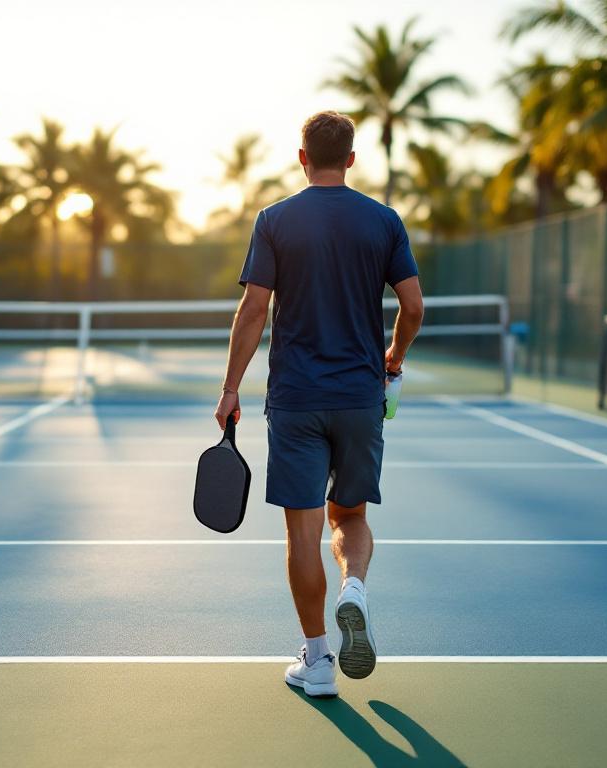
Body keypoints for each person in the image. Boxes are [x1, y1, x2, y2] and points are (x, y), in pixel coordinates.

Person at [214, 110, 424, 698]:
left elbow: (254, 310)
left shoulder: (274, 220)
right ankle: (353, 588)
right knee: (350, 517)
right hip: (360, 398)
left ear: (302, 157)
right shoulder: (384, 221)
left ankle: (317, 660)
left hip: (296, 400)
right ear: (351, 159)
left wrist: (230, 389)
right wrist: (394, 357)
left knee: (302, 535)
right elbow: (413, 307)